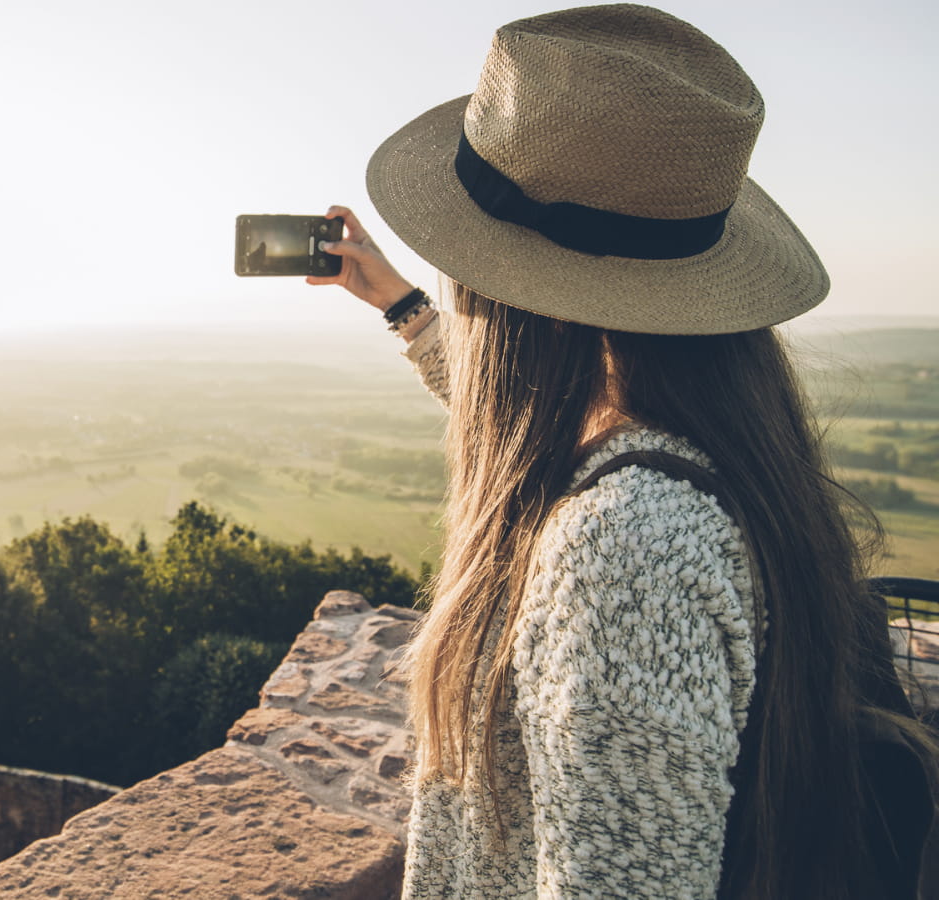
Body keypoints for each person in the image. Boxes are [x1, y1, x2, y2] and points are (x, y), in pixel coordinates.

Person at [306, 5, 934, 898]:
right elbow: (549, 422)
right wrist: (404, 308)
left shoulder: (622, 549)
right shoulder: (715, 451)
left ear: (532, 300)